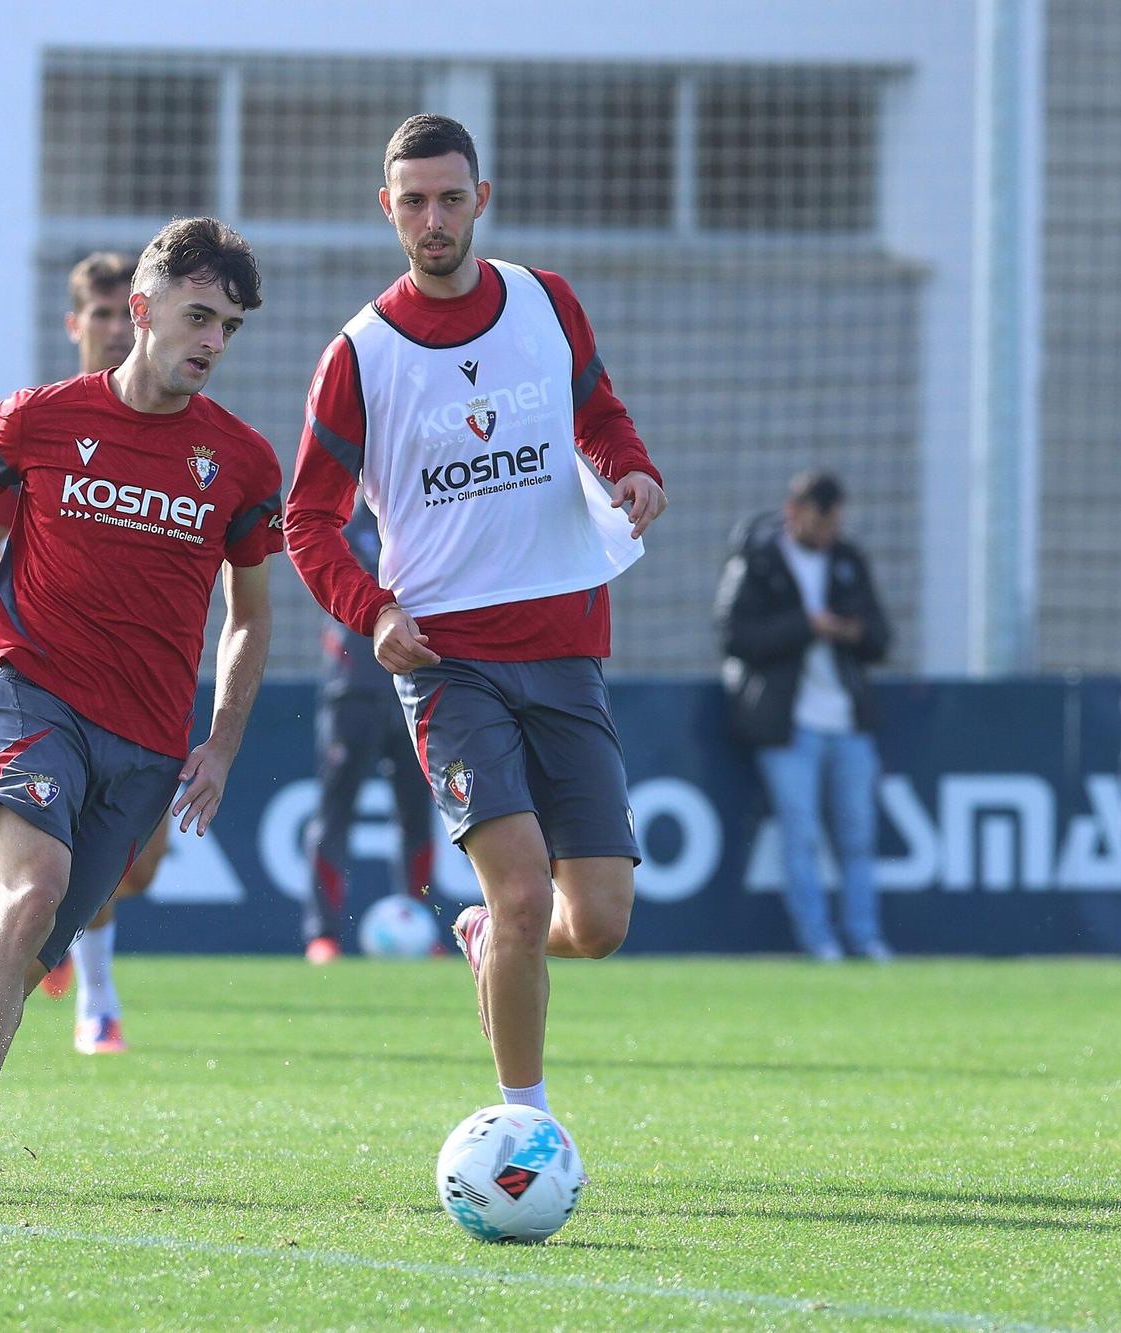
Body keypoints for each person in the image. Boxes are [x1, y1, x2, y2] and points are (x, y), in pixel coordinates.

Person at [0, 217, 282, 1200]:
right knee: (28, 891)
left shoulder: (240, 462)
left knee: (25, 955)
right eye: (197, 316)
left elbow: (248, 617)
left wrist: (222, 743)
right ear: (142, 311)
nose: (210, 342)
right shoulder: (37, 418)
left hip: (150, 747)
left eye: (229, 328)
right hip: (35, 701)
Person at [285, 115, 667, 1129]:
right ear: (386, 208)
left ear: (480, 199)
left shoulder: (545, 303)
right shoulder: (357, 354)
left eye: (449, 197)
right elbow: (305, 519)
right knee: (521, 893)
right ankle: (524, 1128)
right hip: (450, 663)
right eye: (412, 200)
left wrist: (632, 469)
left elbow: (599, 414)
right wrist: (371, 612)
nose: (431, 218)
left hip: (568, 644)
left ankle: (482, 938)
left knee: (598, 921)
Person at [0, 251, 160, 1052]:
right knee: (62, 863)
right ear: (76, 325)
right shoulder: (46, 424)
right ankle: (96, 997)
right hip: (50, 677)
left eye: (125, 314)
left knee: (133, 867)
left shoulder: (179, 429)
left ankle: (56, 931)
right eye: (99, 316)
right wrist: (34, 575)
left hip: (149, 682)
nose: (114, 330)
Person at [714, 470, 893, 962]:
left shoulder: (848, 560)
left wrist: (850, 632)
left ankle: (864, 936)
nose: (831, 532)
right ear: (795, 512)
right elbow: (734, 636)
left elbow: (881, 638)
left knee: (858, 837)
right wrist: (806, 627)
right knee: (802, 835)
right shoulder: (758, 560)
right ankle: (819, 942)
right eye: (823, 520)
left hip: (849, 721)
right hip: (787, 725)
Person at [302, 504, 438, 964]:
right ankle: (323, 935)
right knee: (335, 813)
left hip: (415, 690)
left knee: (417, 814)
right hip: (352, 693)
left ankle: (420, 921)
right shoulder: (339, 526)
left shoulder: (421, 519)